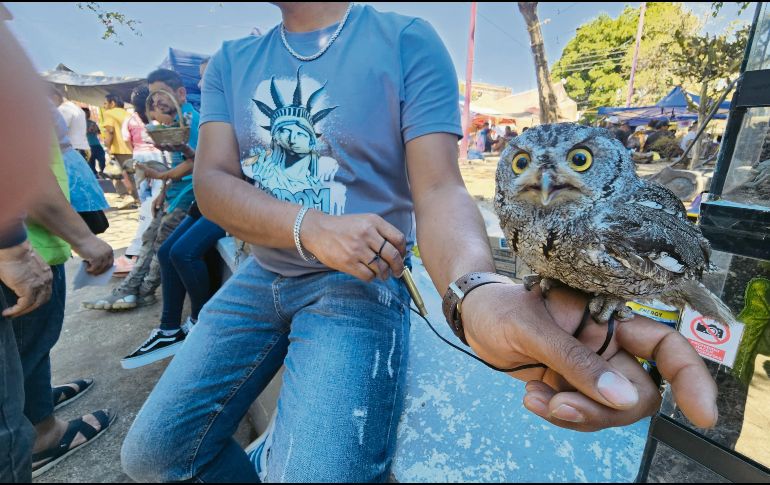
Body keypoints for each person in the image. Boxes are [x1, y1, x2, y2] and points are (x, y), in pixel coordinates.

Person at [120, 3, 719, 483]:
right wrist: (312, 227)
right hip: (259, 274)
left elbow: (439, 189)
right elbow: (213, 184)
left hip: (360, 283)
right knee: (152, 454)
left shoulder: (405, 39)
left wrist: (474, 290)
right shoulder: (230, 61)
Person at [121, 61, 226, 369]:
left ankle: (201, 322)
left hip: (226, 196)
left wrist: (163, 176)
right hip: (208, 195)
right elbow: (201, 159)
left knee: (182, 253)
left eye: (207, 78)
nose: (201, 86)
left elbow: (221, 164)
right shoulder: (192, 118)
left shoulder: (209, 116)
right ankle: (169, 329)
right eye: (201, 79)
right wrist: (183, 154)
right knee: (167, 251)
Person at [82, 69, 199, 312]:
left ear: (180, 93)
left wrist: (162, 176)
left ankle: (144, 291)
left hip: (188, 193)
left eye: (162, 95)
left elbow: (195, 162)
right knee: (149, 237)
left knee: (161, 242)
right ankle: (130, 289)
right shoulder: (174, 122)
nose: (158, 103)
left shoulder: (190, 120)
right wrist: (162, 191)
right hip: (174, 191)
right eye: (154, 98)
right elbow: (179, 162)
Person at [114, 85, 167, 276]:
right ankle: (139, 251)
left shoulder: (131, 120)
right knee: (151, 204)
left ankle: (136, 253)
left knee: (148, 204)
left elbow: (127, 142)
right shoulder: (161, 118)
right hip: (157, 159)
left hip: (142, 159)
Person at [101, 93, 137, 201]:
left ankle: (126, 197)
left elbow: (110, 131)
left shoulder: (109, 113)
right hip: (131, 148)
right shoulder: (127, 113)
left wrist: (107, 146)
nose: (104, 106)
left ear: (112, 103)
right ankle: (136, 197)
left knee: (116, 175)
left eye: (105, 103)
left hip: (118, 149)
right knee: (132, 175)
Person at [51, 88, 89, 161]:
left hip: (73, 148)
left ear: (55, 97)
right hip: (83, 147)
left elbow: (60, 130)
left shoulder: (63, 109)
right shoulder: (78, 109)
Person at [83, 107, 106, 177]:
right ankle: (95, 175)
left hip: (96, 144)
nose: (88, 114)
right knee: (91, 163)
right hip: (87, 146)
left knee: (102, 159)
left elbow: (98, 132)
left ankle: (101, 172)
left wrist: (93, 128)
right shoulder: (79, 124)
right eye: (86, 113)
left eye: (88, 113)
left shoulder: (92, 122)